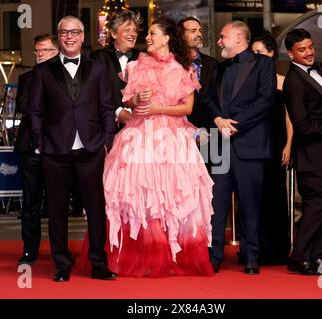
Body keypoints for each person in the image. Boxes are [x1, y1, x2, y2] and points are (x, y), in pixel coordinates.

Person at [98, 15, 214, 277]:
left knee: (171, 195)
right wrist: (136, 98)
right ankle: (145, 253)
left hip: (172, 138)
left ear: (167, 38)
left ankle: (172, 255)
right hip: (139, 134)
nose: (147, 38)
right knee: (140, 194)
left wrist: (158, 108)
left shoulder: (183, 69)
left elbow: (188, 108)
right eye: (148, 34)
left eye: (152, 33)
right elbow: (127, 101)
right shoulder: (137, 65)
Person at [28, 16, 116, 282]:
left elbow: (107, 108)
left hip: (90, 149)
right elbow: (34, 110)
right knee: (56, 210)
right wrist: (39, 141)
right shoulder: (43, 71)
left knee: (96, 209)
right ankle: (62, 265)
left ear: (82, 36)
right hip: (54, 151)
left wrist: (106, 140)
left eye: (74, 32)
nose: (69, 36)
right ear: (59, 36)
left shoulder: (97, 69)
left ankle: (99, 264)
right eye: (64, 32)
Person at [204, 21, 276, 275]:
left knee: (250, 205)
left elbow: (266, 100)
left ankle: (250, 256)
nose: (219, 41)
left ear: (237, 37)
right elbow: (208, 99)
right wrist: (217, 120)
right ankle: (213, 257)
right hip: (219, 145)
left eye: (223, 36)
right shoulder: (219, 68)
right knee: (215, 205)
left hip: (249, 144)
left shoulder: (264, 64)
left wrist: (236, 124)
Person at [283, 29, 322, 276]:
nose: (308, 52)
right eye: (302, 49)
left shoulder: (317, 71)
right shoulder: (294, 82)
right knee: (318, 206)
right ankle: (299, 258)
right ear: (290, 53)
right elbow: (302, 125)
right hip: (311, 156)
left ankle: (317, 258)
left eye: (310, 47)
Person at [14, 33, 59, 265]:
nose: (40, 54)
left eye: (45, 50)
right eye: (38, 50)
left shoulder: (65, 77)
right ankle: (29, 250)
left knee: (56, 203)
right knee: (30, 203)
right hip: (30, 147)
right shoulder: (27, 78)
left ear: (57, 52)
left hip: (58, 148)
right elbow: (24, 106)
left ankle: (57, 251)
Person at [250, 31, 292, 265]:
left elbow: (289, 117)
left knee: (275, 196)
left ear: (272, 53)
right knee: (253, 198)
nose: (256, 57)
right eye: (253, 53)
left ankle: (276, 250)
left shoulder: (283, 81)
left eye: (260, 52)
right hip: (253, 145)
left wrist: (289, 144)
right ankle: (254, 250)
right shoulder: (248, 81)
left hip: (276, 144)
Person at [91, 10, 141, 129]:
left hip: (138, 125)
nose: (132, 34)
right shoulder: (98, 58)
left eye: (134, 30)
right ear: (114, 34)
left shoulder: (142, 57)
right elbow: (94, 91)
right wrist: (118, 111)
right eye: (127, 30)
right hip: (106, 125)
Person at [177, 16, 218, 131]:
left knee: (218, 150)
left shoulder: (213, 64)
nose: (199, 34)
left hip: (212, 129)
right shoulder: (174, 65)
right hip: (183, 130)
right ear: (181, 36)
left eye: (200, 31)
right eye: (193, 31)